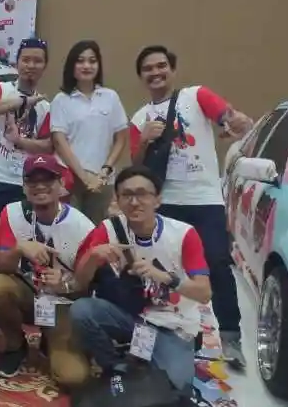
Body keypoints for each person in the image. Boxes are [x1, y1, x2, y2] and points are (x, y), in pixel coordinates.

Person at [129, 45, 252, 367]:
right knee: (166, 268)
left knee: (217, 265)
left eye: (161, 66)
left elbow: (226, 116)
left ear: (172, 69)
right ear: (141, 76)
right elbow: (135, 167)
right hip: (165, 202)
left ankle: (230, 335)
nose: (155, 72)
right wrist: (144, 139)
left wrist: (235, 121)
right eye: (148, 69)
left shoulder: (195, 96)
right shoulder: (139, 118)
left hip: (204, 199)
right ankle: (175, 329)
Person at [71, 165, 212, 399]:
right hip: (131, 316)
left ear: (158, 200)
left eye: (142, 194)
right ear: (117, 199)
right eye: (127, 195)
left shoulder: (183, 234)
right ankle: (115, 365)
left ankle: (144, 359)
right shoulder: (109, 229)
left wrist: (164, 277)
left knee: (177, 387)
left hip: (171, 324)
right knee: (82, 310)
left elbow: (204, 293)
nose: (134, 202)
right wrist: (93, 257)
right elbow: (79, 283)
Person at [0, 154, 93, 386]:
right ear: (24, 187)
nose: (40, 185)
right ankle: (15, 344)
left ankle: (51, 339)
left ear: (61, 184)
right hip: (27, 292)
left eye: (48, 179)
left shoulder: (83, 227)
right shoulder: (12, 213)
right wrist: (19, 249)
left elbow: (88, 287)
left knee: (73, 378)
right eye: (32, 180)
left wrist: (65, 284)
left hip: (62, 303)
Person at [0, 38, 53, 216]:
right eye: (26, 60)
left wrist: (19, 141)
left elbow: (48, 146)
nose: (31, 65)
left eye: (37, 61)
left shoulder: (45, 107)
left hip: (23, 185)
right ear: (17, 63)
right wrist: (23, 102)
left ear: (45, 66)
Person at [51, 40, 128, 223]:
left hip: (102, 181)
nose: (87, 66)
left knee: (97, 230)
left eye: (92, 61)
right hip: (69, 179)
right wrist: (85, 178)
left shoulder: (110, 97)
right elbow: (59, 142)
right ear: (72, 66)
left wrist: (105, 171)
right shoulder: (61, 100)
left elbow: (121, 138)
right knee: (69, 228)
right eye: (80, 61)